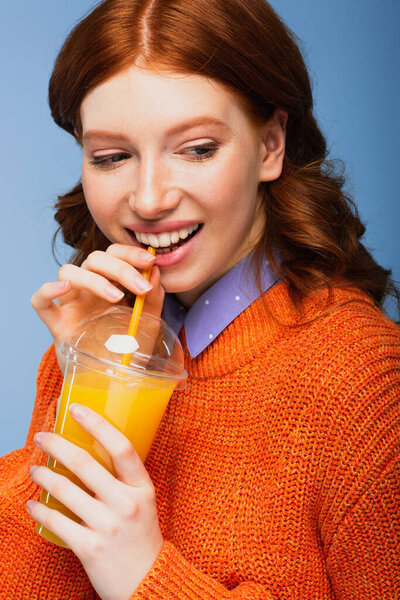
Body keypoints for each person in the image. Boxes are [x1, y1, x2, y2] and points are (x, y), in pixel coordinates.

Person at [1, 0, 399, 598]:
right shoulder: (104, 333)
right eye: (112, 157)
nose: (150, 198)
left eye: (196, 149)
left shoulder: (361, 380)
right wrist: (83, 371)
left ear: (270, 146)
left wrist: (148, 578)